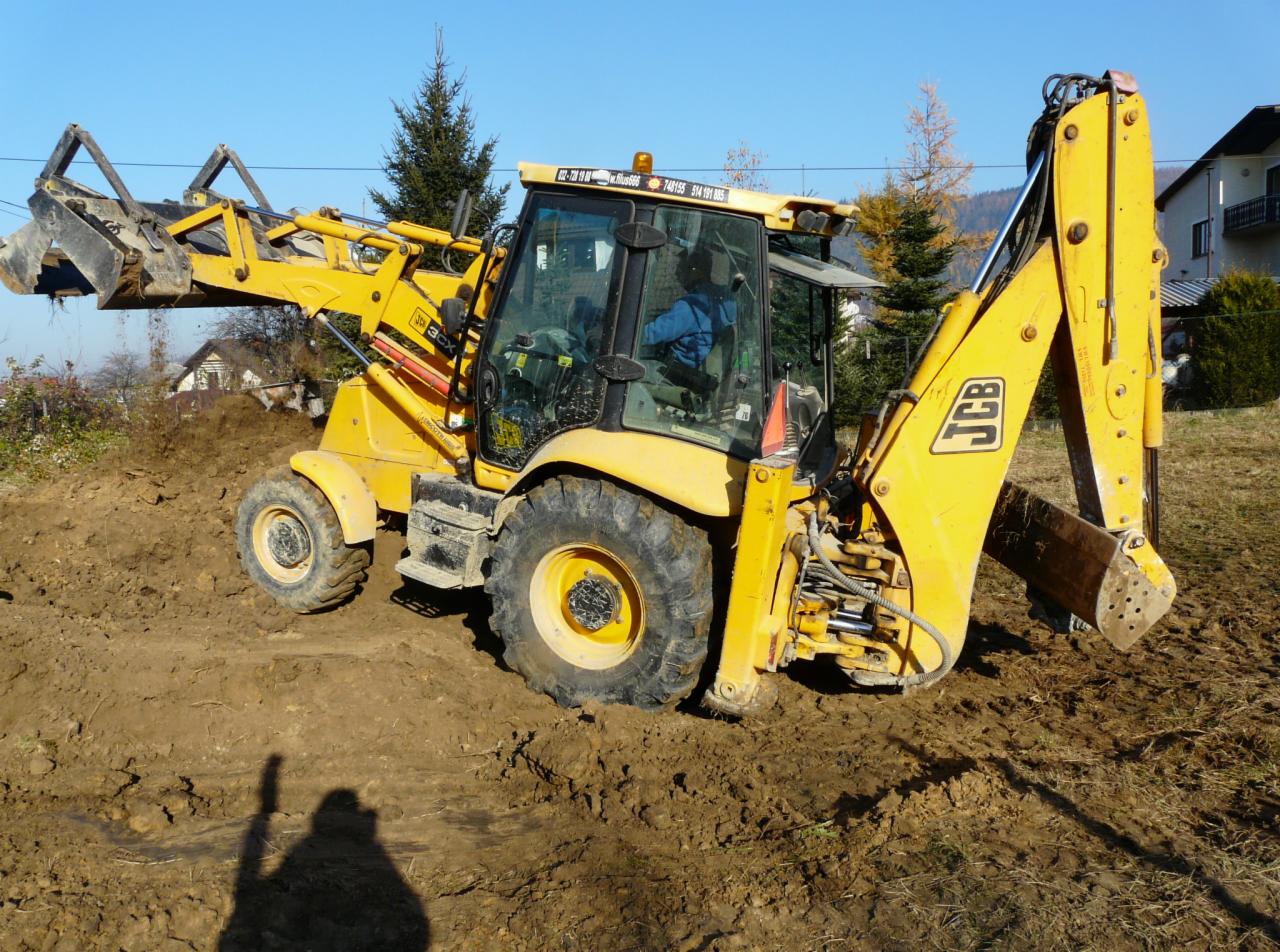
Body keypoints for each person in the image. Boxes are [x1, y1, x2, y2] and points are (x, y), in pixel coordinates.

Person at [641, 247, 736, 369]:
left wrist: (631, 336)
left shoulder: (693, 305)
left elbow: (655, 333)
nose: (676, 274)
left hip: (677, 371)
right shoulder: (722, 301)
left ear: (695, 271)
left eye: (680, 269)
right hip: (697, 368)